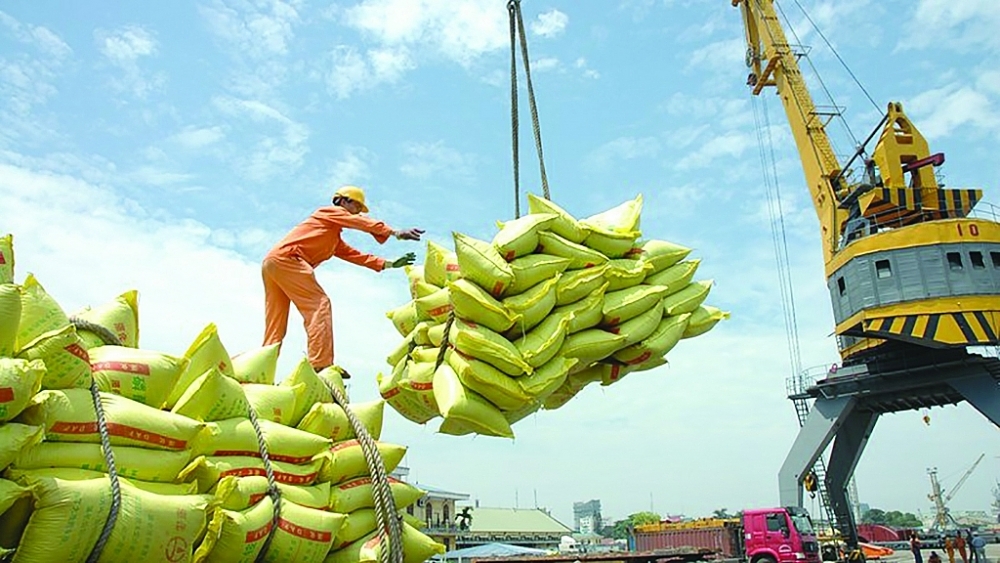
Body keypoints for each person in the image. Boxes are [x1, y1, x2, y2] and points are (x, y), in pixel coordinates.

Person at [262, 185, 423, 372]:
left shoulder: (332, 238)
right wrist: (394, 232)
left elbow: (356, 255)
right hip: (288, 260)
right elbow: (358, 223)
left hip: (273, 263)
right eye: (357, 207)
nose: (358, 213)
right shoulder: (328, 212)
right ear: (344, 201)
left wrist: (389, 264)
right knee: (319, 305)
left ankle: (261, 366)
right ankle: (320, 364)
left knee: (276, 323)